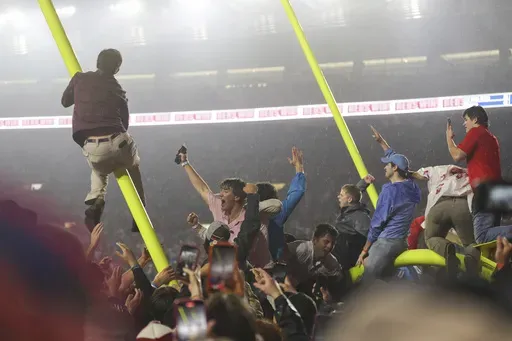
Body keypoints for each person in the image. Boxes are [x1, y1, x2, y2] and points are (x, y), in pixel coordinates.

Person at [61, 48, 145, 232]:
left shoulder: (79, 78)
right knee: (134, 166)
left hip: (92, 148)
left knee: (99, 168)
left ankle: (97, 199)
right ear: (117, 69)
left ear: (97, 62)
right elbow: (125, 123)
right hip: (117, 141)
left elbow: (65, 102)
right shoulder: (118, 89)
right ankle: (139, 216)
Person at [178, 149, 281, 268]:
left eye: (225, 192)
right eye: (221, 191)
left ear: (237, 197)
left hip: (260, 272)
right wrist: (185, 163)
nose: (220, 194)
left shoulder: (250, 218)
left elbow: (277, 205)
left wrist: (252, 205)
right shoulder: (219, 205)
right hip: (233, 269)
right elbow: (202, 189)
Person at [357, 127, 421, 280]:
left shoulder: (389, 191)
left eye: (387, 164)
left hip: (386, 243)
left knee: (366, 284)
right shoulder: (412, 186)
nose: (384, 167)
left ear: (395, 168)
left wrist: (365, 250)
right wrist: (382, 143)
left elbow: (377, 224)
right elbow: (396, 159)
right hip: (401, 242)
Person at [446, 106, 511, 243]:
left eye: (466, 119)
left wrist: (449, 139)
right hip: (498, 191)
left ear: (475, 119)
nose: (464, 124)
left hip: (485, 191)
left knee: (482, 237)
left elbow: (457, 155)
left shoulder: (476, 132)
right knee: (495, 242)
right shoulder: (491, 137)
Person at [412, 165, 480, 276]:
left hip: (439, 205)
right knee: (470, 244)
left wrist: (405, 172)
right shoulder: (472, 174)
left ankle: (447, 250)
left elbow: (416, 174)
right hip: (462, 205)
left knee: (431, 237)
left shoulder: (438, 170)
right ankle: (472, 271)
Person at [263, 146, 306, 262]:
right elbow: (297, 192)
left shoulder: (243, 214)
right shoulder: (276, 216)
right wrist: (299, 167)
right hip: (272, 267)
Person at [331, 176, 373, 269]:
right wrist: (363, 183)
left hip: (346, 260)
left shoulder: (360, 217)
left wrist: (364, 255)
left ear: (349, 199)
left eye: (341, 195)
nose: (338, 197)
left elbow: (370, 237)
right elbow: (354, 194)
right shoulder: (346, 211)